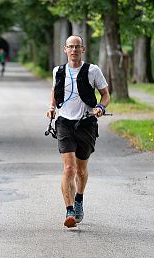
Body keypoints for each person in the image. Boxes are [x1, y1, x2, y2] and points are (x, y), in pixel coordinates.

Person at [46, 35, 110, 228]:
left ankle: (79, 199)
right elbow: (55, 91)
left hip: (87, 123)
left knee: (81, 171)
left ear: (83, 50)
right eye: (70, 47)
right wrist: (51, 107)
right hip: (64, 123)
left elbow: (106, 94)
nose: (73, 50)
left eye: (77, 47)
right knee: (69, 168)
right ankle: (69, 210)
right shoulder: (58, 71)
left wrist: (100, 107)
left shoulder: (93, 70)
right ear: (65, 49)